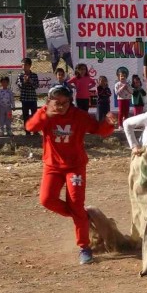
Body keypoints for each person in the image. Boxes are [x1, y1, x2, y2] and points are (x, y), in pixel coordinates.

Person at [25, 85, 116, 264]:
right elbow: (30, 126)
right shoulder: (45, 114)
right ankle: (82, 216)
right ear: (49, 101)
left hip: (75, 167)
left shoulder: (79, 116)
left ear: (70, 101)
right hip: (52, 167)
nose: (61, 106)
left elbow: (99, 130)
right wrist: (45, 114)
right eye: (56, 102)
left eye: (65, 102)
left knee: (75, 203)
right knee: (46, 199)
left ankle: (84, 247)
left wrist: (109, 123)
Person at [17, 58, 40, 135]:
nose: (24, 66)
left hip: (32, 98)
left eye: (26, 65)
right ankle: (27, 130)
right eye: (22, 65)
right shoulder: (20, 75)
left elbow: (36, 86)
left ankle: (35, 130)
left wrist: (30, 81)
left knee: (34, 115)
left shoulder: (34, 75)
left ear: (30, 66)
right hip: (24, 99)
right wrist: (24, 82)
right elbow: (19, 86)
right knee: (25, 115)